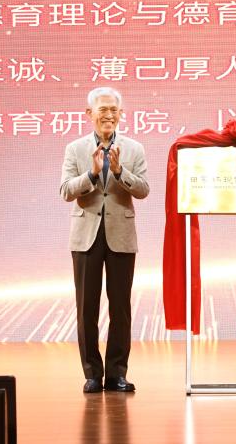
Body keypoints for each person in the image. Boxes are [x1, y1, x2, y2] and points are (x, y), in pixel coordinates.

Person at [60, 86, 149, 393]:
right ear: (90, 114)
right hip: (86, 236)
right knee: (87, 308)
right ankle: (92, 374)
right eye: (103, 110)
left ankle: (117, 374)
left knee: (120, 308)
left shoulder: (134, 149)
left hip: (121, 235)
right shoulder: (75, 149)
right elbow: (65, 191)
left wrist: (121, 171)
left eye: (114, 110)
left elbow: (143, 189)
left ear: (121, 114)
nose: (109, 115)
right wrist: (92, 174)